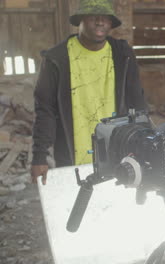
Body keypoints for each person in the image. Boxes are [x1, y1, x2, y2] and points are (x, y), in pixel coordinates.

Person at [31, 0, 147, 185]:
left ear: (111, 23)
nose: (100, 22)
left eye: (106, 18)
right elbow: (45, 110)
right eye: (94, 16)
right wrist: (39, 156)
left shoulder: (122, 54)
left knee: (115, 209)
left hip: (118, 154)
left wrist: (143, 144)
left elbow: (137, 102)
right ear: (81, 20)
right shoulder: (56, 59)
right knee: (77, 209)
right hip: (72, 158)